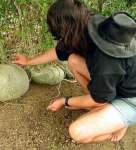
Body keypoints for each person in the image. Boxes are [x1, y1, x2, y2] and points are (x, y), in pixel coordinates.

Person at [12, 0, 136, 144]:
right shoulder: (90, 27)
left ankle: (121, 123)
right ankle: (106, 112)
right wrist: (28, 61)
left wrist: (65, 101)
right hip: (115, 84)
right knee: (74, 60)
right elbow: (59, 52)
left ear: (64, 28)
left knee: (77, 132)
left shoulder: (105, 61)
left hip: (130, 100)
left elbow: (98, 98)